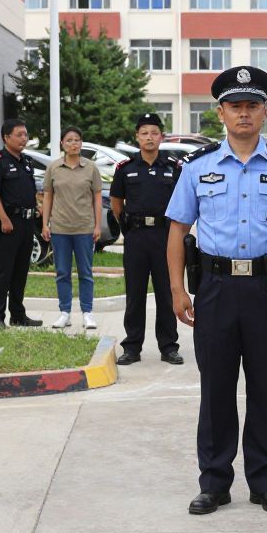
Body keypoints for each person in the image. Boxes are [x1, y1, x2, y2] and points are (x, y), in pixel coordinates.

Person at [166, 66, 267, 516]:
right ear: (221, 113)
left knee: (265, 388)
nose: (244, 114)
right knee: (215, 389)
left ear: (265, 112)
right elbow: (177, 230)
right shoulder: (198, 167)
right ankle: (214, 483)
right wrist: (178, 289)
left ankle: (265, 482)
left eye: (252, 105)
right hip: (213, 288)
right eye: (236, 106)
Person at [110, 112, 182, 364]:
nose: (149, 137)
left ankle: (169, 346)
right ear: (137, 137)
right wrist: (126, 227)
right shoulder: (125, 168)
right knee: (135, 293)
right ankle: (132, 347)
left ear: (161, 137)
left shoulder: (174, 167)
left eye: (154, 133)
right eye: (144, 133)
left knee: (167, 292)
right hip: (137, 237)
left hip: (166, 237)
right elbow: (116, 202)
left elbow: (183, 202)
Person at [41, 126, 103, 330]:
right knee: (62, 272)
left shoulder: (91, 167)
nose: (73, 143)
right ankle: (64, 312)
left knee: (85, 272)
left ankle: (87, 312)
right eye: (69, 140)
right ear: (62, 144)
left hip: (84, 227)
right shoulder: (54, 168)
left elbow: (97, 196)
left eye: (77, 140)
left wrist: (97, 225)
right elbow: (48, 196)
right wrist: (45, 223)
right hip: (60, 228)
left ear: (81, 143)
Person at [0, 118, 42, 328]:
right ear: (6, 137)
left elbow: (27, 191)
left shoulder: (26, 162)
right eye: (19, 135)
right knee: (3, 272)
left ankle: (18, 315)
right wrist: (4, 219)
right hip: (8, 224)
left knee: (20, 271)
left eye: (25, 135)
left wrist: (37, 207)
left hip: (27, 225)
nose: (24, 138)